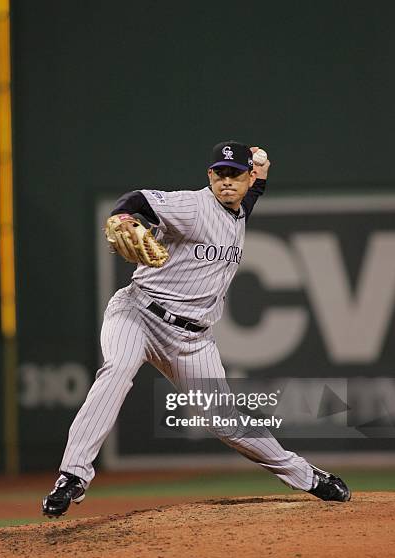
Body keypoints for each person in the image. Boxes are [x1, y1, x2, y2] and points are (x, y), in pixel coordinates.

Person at [42, 141, 351, 518]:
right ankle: (72, 475)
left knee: (228, 424)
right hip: (138, 314)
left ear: (248, 178)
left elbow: (249, 200)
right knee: (117, 371)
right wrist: (123, 218)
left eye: (234, 175)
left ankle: (308, 477)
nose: (226, 182)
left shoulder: (240, 209)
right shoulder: (192, 206)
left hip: (192, 340)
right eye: (219, 174)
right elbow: (137, 199)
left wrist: (261, 178)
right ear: (209, 175)